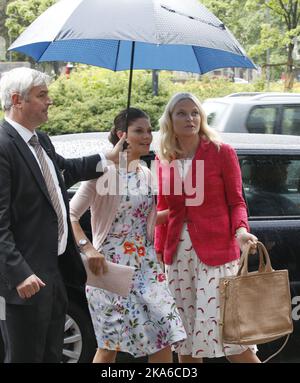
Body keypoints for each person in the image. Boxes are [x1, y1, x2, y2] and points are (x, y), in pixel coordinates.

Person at [0, 67, 125, 363]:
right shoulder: (3, 146)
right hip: (25, 280)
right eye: (42, 95)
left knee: (51, 355)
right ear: (17, 100)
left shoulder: (40, 140)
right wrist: (19, 274)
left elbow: (62, 171)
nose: (50, 101)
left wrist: (106, 158)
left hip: (54, 271)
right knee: (25, 357)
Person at [69, 108, 186, 363]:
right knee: (110, 342)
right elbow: (71, 215)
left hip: (146, 265)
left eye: (149, 130)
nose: (148, 136)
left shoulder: (145, 173)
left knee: (164, 330)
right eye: (139, 131)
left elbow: (146, 220)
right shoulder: (102, 171)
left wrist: (184, 210)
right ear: (122, 135)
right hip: (110, 266)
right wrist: (88, 249)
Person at [155, 92, 261, 363]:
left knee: (234, 339)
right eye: (181, 113)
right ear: (170, 119)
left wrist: (240, 231)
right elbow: (162, 208)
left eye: (194, 112)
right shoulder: (163, 157)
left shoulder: (220, 151)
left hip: (216, 254)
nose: (189, 118)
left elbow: (237, 201)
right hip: (178, 258)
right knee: (187, 342)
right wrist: (158, 250)